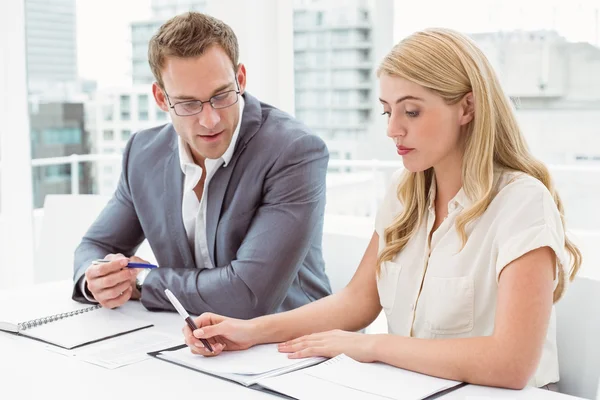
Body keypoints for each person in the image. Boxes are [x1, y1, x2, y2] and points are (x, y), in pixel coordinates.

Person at [181, 28, 582, 390]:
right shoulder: (403, 193)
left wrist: (373, 346)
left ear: (467, 108)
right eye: (388, 111)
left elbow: (511, 364)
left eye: (411, 111)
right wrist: (250, 331)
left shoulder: (521, 202)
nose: (393, 129)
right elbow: (356, 302)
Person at [71, 12, 332, 317]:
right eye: (188, 104)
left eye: (221, 96)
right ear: (160, 98)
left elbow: (248, 295)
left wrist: (143, 281)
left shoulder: (293, 151)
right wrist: (97, 279)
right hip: (186, 336)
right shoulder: (143, 153)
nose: (210, 120)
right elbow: (95, 245)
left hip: (289, 344)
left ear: (241, 79)